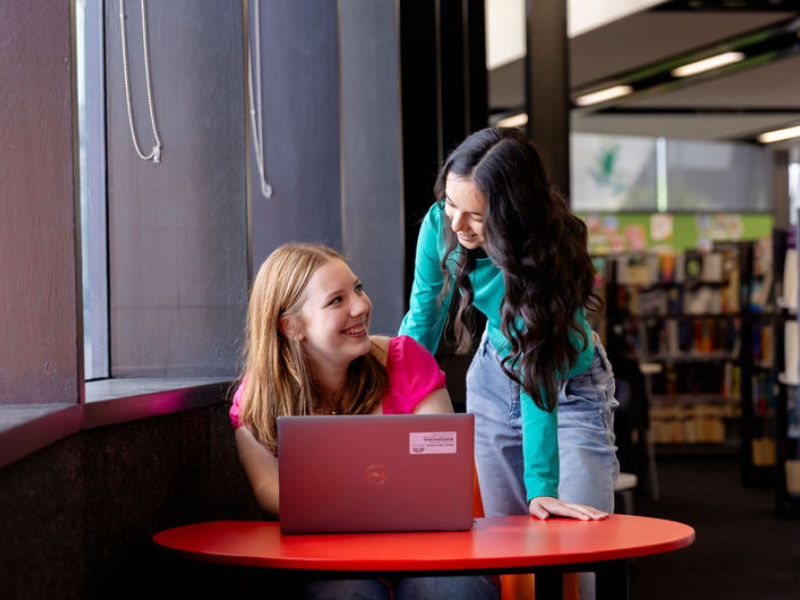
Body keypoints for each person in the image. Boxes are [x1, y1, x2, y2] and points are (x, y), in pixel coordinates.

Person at [230, 242, 499, 600]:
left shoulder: (406, 362)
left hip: (427, 551)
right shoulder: (257, 399)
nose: (360, 306)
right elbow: (272, 495)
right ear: (292, 326)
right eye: (336, 300)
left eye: (357, 289)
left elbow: (443, 478)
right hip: (327, 559)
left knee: (451, 589)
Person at [399, 127, 619, 524]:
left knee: (582, 555)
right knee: (507, 547)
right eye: (451, 203)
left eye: (477, 215)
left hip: (566, 386)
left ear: (511, 214)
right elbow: (423, 317)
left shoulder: (551, 249)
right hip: (494, 379)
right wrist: (392, 398)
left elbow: (539, 370)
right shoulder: (440, 224)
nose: (458, 223)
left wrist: (542, 488)